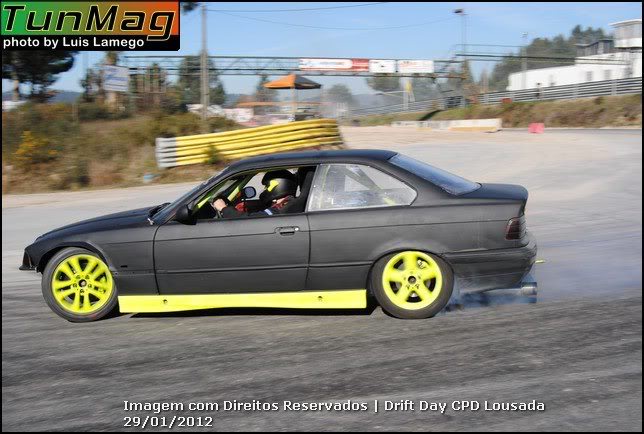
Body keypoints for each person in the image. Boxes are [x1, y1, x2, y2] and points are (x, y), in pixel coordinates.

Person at [212, 171, 298, 218]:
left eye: (266, 186)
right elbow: (261, 206)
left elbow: (246, 220)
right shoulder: (287, 203)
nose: (264, 190)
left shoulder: (278, 209)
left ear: (278, 185)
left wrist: (224, 208)